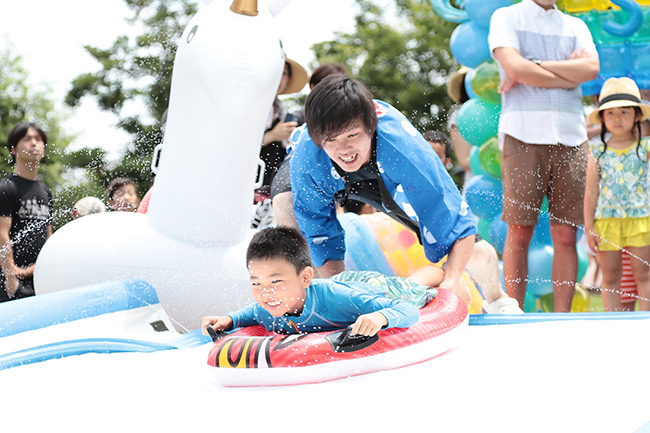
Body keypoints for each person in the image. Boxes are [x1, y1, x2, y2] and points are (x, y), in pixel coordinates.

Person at [289, 75, 477, 305]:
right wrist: (342, 296)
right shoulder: (308, 158)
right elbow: (318, 232)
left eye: (352, 135)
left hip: (384, 167)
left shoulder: (401, 147)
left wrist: (451, 280)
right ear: (319, 139)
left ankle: (496, 295)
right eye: (332, 139)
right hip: (324, 169)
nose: (345, 149)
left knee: (455, 247)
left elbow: (455, 217)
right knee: (288, 213)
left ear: (369, 127)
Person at [488, 0, 599, 312]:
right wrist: (565, 73)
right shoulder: (506, 17)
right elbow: (515, 68)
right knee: (520, 230)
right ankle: (514, 313)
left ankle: (561, 318)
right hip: (522, 135)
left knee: (566, 234)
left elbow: (591, 69)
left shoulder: (576, 26)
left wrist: (531, 67)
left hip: (572, 137)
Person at [201, 226, 429, 336]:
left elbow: (407, 309)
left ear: (305, 277)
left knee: (416, 289)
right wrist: (229, 320)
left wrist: (380, 316)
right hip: (336, 283)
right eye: (256, 283)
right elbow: (253, 313)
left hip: (367, 286)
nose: (265, 293)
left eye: (275, 281)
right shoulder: (270, 306)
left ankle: (436, 273)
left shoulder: (342, 299)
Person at [423, 130, 523, 314]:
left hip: (450, 262)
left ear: (446, 163)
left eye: (437, 157)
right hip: (418, 263)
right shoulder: (402, 187)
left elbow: (467, 238)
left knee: (482, 251)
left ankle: (497, 299)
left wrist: (453, 276)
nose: (430, 161)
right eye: (425, 155)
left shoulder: (448, 196)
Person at [583, 77, 650, 312]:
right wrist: (589, 225)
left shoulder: (645, 147)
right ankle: (611, 322)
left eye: (624, 111)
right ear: (602, 118)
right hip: (607, 221)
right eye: (610, 113)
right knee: (610, 276)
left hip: (640, 219)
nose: (618, 118)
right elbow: (591, 191)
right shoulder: (598, 150)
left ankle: (646, 322)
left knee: (644, 273)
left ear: (637, 116)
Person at [0, 122, 53, 302]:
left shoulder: (46, 192)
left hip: (40, 278)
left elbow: (48, 236)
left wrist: (42, 268)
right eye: (27, 139)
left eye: (38, 139)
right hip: (9, 283)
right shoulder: (6, 188)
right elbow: (1, 234)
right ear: (14, 149)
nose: (34, 143)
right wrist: (10, 276)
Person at [254, 57, 308, 204]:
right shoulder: (250, 105)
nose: (279, 77)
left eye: (283, 73)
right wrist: (272, 135)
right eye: (275, 71)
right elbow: (235, 146)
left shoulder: (281, 111)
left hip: (267, 191)